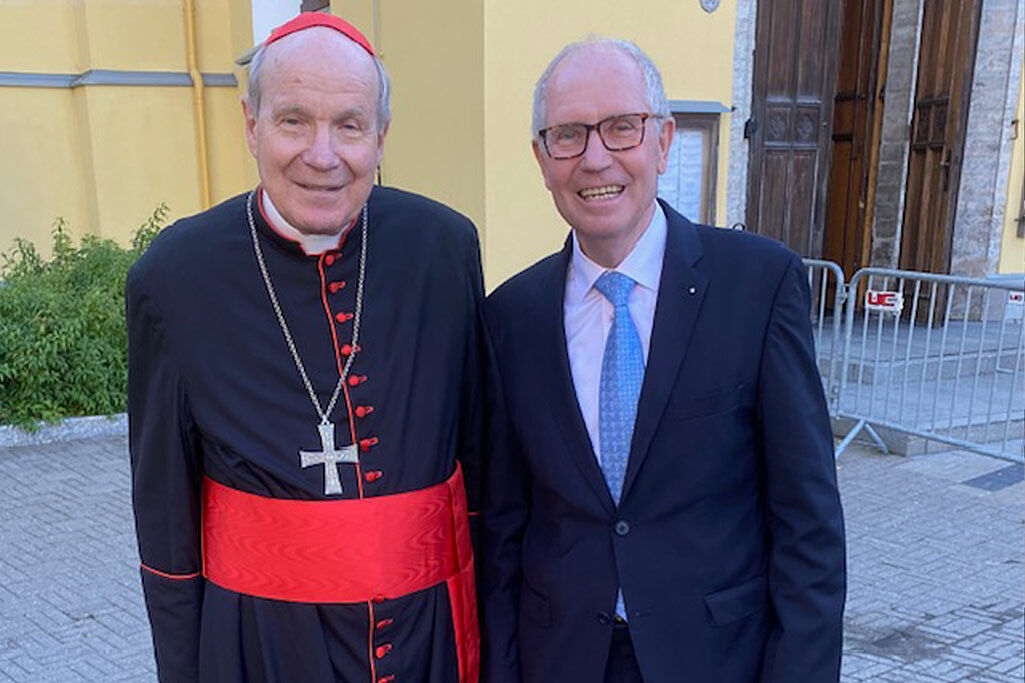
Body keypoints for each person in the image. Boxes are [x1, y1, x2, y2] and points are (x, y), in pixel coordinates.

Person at [127, 13, 482, 683]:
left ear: (381, 136)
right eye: (293, 120)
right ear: (250, 124)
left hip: (426, 634)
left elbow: (484, 471)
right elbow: (165, 524)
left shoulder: (443, 247)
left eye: (349, 124)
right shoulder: (174, 276)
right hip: (262, 643)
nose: (323, 155)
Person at [480, 38, 845, 683]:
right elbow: (506, 531)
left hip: (717, 659)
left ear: (663, 140)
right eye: (568, 135)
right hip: (561, 659)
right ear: (542, 159)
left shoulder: (758, 287)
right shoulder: (511, 316)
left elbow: (807, 523)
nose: (595, 159)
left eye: (622, 128)